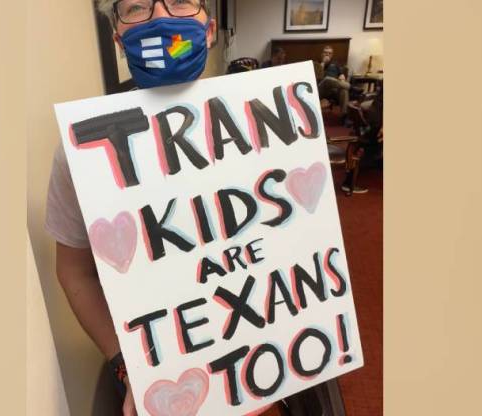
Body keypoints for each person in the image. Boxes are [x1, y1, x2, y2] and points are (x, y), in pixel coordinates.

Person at [46, 1, 344, 414]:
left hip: (266, 366)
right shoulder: (83, 151)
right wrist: (125, 365)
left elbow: (299, 244)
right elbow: (73, 270)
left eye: (181, 1)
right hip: (158, 379)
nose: (161, 18)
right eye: (136, 7)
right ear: (118, 38)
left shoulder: (276, 123)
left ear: (208, 29)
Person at [316, 45, 352, 117]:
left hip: (334, 89)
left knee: (344, 91)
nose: (327, 55)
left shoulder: (336, 64)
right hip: (321, 89)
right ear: (322, 53)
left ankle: (344, 115)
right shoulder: (317, 63)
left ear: (332, 55)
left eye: (329, 53)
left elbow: (341, 75)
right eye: (325, 53)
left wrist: (342, 76)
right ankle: (350, 86)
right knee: (327, 79)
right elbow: (317, 77)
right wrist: (323, 63)